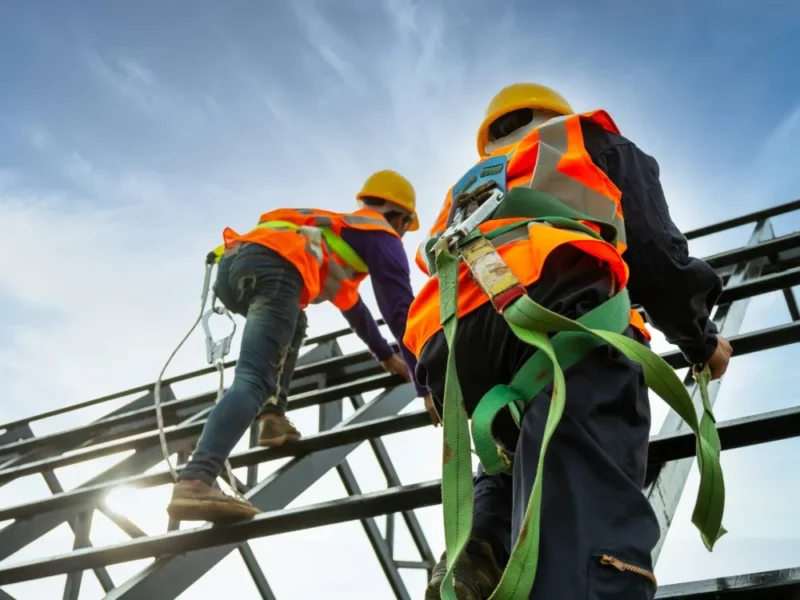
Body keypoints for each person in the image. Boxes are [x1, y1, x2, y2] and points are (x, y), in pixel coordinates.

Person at [403, 83, 734, 599]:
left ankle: (476, 552)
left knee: (516, 450)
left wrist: (429, 385)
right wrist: (701, 340)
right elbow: (653, 248)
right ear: (555, 112)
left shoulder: (467, 189)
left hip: (451, 345)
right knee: (585, 486)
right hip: (559, 302)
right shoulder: (584, 138)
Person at [166, 169, 434, 523]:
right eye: (404, 226)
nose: (401, 234)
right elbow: (400, 310)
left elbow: (356, 311)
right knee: (253, 379)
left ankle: (273, 418)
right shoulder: (382, 236)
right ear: (400, 216)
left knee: (295, 322)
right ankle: (197, 478)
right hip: (275, 270)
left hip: (234, 268)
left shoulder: (333, 235)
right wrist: (426, 384)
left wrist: (385, 355)